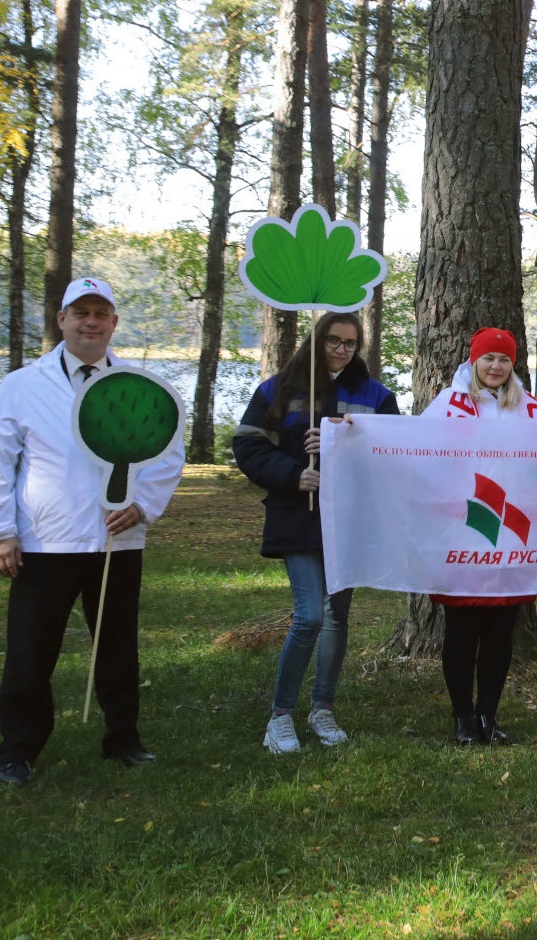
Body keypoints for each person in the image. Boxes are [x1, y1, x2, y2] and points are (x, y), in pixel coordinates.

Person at [0, 277, 184, 785]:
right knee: (30, 651)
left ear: (113, 323)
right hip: (45, 541)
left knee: (117, 647)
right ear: (62, 320)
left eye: (101, 313)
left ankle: (123, 740)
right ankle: (18, 751)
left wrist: (143, 506)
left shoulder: (137, 386)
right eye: (80, 313)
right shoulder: (22, 385)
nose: (90, 322)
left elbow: (167, 452)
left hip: (116, 538)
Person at [232, 310, 401, 754]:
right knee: (309, 615)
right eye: (333, 341)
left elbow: (392, 453)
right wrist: (293, 475)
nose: (341, 350)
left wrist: (346, 444)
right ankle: (280, 716)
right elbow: (248, 446)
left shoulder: (375, 394)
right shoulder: (280, 389)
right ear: (317, 340)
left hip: (347, 520)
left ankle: (322, 708)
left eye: (349, 343)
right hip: (296, 514)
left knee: (335, 618)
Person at [422, 329, 537, 745]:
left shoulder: (529, 408)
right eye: (488, 358)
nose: (495, 366)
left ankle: (488, 715)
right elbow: (413, 450)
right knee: (461, 629)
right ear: (474, 361)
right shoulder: (449, 404)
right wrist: (354, 434)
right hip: (464, 528)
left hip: (511, 534)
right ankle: (462, 717)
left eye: (503, 359)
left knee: (500, 630)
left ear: (512, 364)